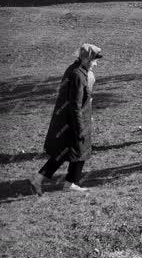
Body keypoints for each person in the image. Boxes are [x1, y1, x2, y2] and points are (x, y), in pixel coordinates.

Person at [29, 44, 103, 195]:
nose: (96, 63)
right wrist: (80, 127)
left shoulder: (75, 69)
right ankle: (67, 183)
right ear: (87, 59)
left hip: (69, 120)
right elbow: (75, 105)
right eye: (94, 60)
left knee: (66, 153)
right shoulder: (78, 74)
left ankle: (42, 178)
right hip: (73, 121)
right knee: (79, 150)